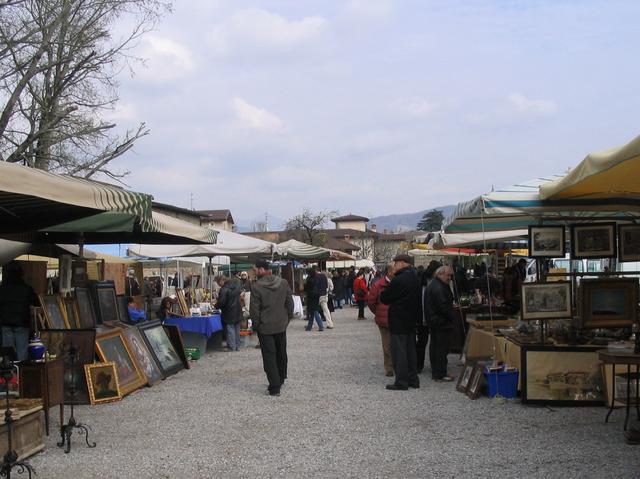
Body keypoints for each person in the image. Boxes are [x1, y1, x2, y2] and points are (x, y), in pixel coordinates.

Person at [250, 259, 294, 397]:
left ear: (261, 269)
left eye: (255, 269)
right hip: (281, 324)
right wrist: (287, 319)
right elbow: (290, 303)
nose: (254, 272)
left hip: (265, 326)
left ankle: (274, 386)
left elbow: (254, 310)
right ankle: (280, 378)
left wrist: (256, 326)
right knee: (281, 352)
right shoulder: (283, 282)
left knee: (269, 356)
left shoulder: (256, 287)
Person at [380, 254, 421, 391]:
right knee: (410, 351)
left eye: (396, 263)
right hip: (411, 318)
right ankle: (413, 379)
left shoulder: (399, 279)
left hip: (399, 319)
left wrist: (388, 288)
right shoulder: (415, 277)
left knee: (399, 352)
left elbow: (385, 298)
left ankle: (401, 381)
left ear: (402, 263)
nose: (395, 265)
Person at [0, 262, 38, 361]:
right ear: (21, 274)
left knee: (7, 352)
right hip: (22, 323)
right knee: (22, 351)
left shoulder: (2, 288)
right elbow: (36, 302)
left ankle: (8, 373)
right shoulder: (26, 288)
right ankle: (21, 373)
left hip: (5, 323)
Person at [425, 266, 456, 382]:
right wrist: (452, 318)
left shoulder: (435, 284)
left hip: (435, 321)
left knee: (436, 348)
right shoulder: (438, 287)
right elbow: (443, 307)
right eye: (447, 275)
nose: (449, 278)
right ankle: (440, 373)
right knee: (441, 349)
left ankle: (437, 372)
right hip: (440, 322)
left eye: (450, 275)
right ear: (440, 274)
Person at [368, 262, 395, 377]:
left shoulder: (399, 283)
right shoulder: (378, 285)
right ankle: (389, 368)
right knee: (387, 346)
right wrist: (379, 313)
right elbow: (371, 302)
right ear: (389, 271)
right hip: (384, 320)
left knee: (398, 344)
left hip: (398, 319)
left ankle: (399, 365)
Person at [417, 260, 442, 374]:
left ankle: (418, 366)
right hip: (429, 316)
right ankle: (434, 366)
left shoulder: (421, 280)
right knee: (433, 343)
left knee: (422, 343)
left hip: (422, 316)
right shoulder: (434, 283)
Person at [215, 275, 243, 351]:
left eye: (218, 283)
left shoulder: (224, 289)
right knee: (237, 329)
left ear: (221, 281)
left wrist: (215, 306)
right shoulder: (236, 285)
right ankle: (237, 346)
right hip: (238, 310)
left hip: (229, 311)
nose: (218, 284)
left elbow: (221, 302)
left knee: (230, 329)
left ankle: (231, 347)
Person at [304, 267, 323, 332]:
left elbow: (306, 288)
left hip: (311, 296)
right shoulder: (317, 278)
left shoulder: (309, 279)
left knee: (314, 311)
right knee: (312, 312)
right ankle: (309, 327)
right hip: (316, 296)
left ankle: (321, 326)